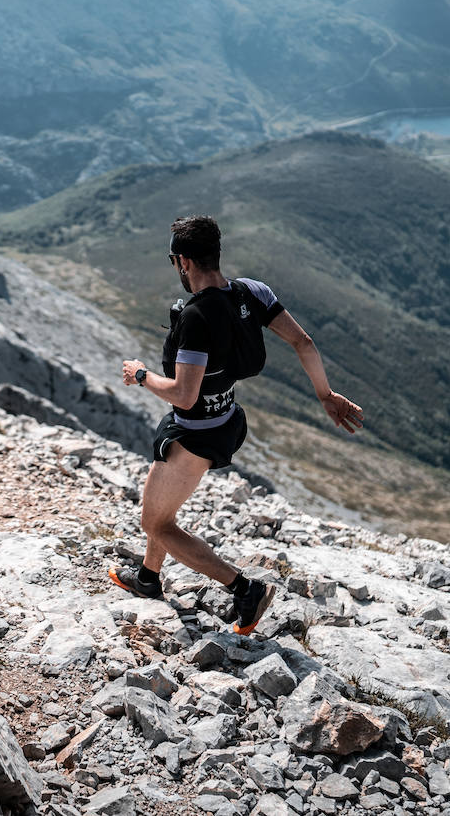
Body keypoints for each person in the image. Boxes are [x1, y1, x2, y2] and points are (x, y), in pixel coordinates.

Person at [109, 215, 364, 634]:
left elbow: (184, 394)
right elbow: (302, 342)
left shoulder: (195, 317)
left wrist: (140, 375)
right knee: (161, 508)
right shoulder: (252, 291)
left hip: (195, 434)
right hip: (226, 419)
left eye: (174, 261)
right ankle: (149, 577)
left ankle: (244, 590)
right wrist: (325, 395)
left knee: (155, 523)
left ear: (183, 261)